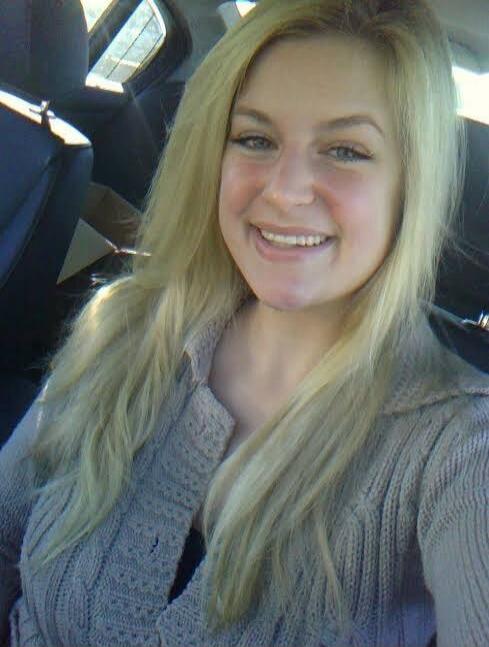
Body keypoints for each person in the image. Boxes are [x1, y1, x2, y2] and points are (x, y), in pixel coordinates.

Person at [1, 0, 489, 645]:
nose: (284, 189)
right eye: (255, 139)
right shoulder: (124, 328)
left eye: (346, 150)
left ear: (410, 186)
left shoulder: (458, 450)